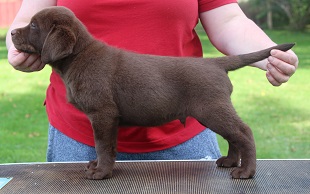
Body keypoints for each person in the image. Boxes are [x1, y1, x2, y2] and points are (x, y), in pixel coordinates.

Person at [6, 0, 298, 162]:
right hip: (79, 138)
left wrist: (268, 54)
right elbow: (29, 20)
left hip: (182, 134)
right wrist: (16, 47)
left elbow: (229, 20)